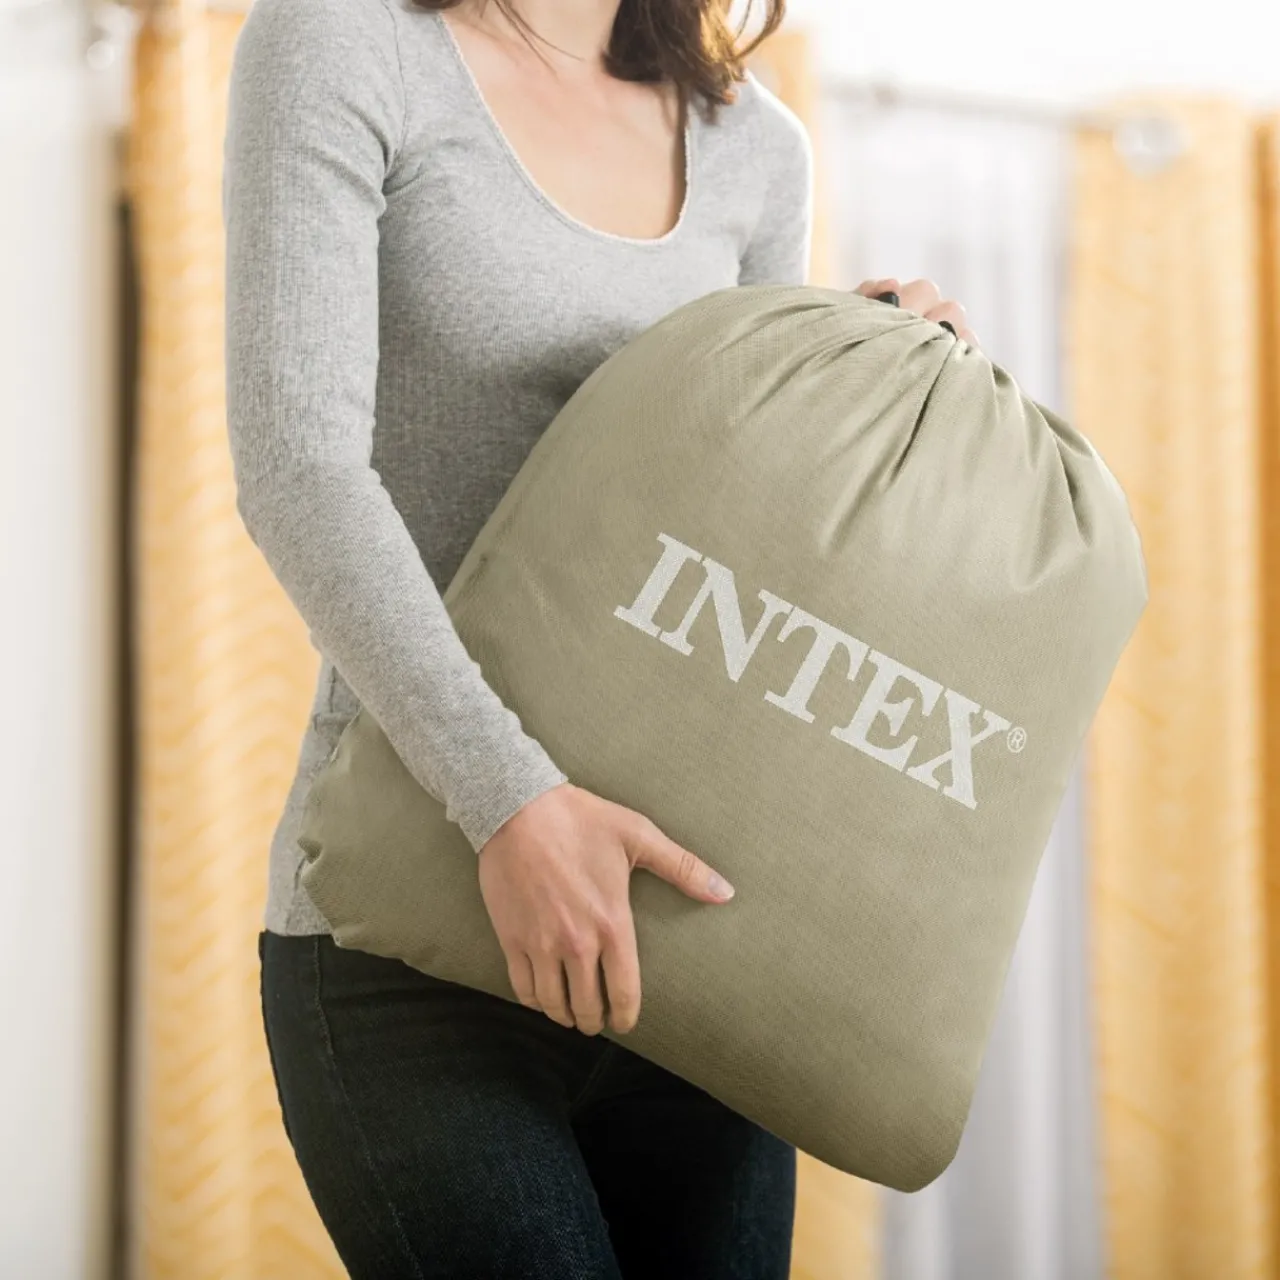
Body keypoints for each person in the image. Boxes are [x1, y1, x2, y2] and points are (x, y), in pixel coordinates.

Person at [222, 0, 975, 1273]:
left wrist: (866, 373)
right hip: (408, 935)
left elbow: (743, 534)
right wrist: (509, 800)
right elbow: (300, 472)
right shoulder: (344, 43)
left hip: (688, 947)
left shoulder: (751, 143)